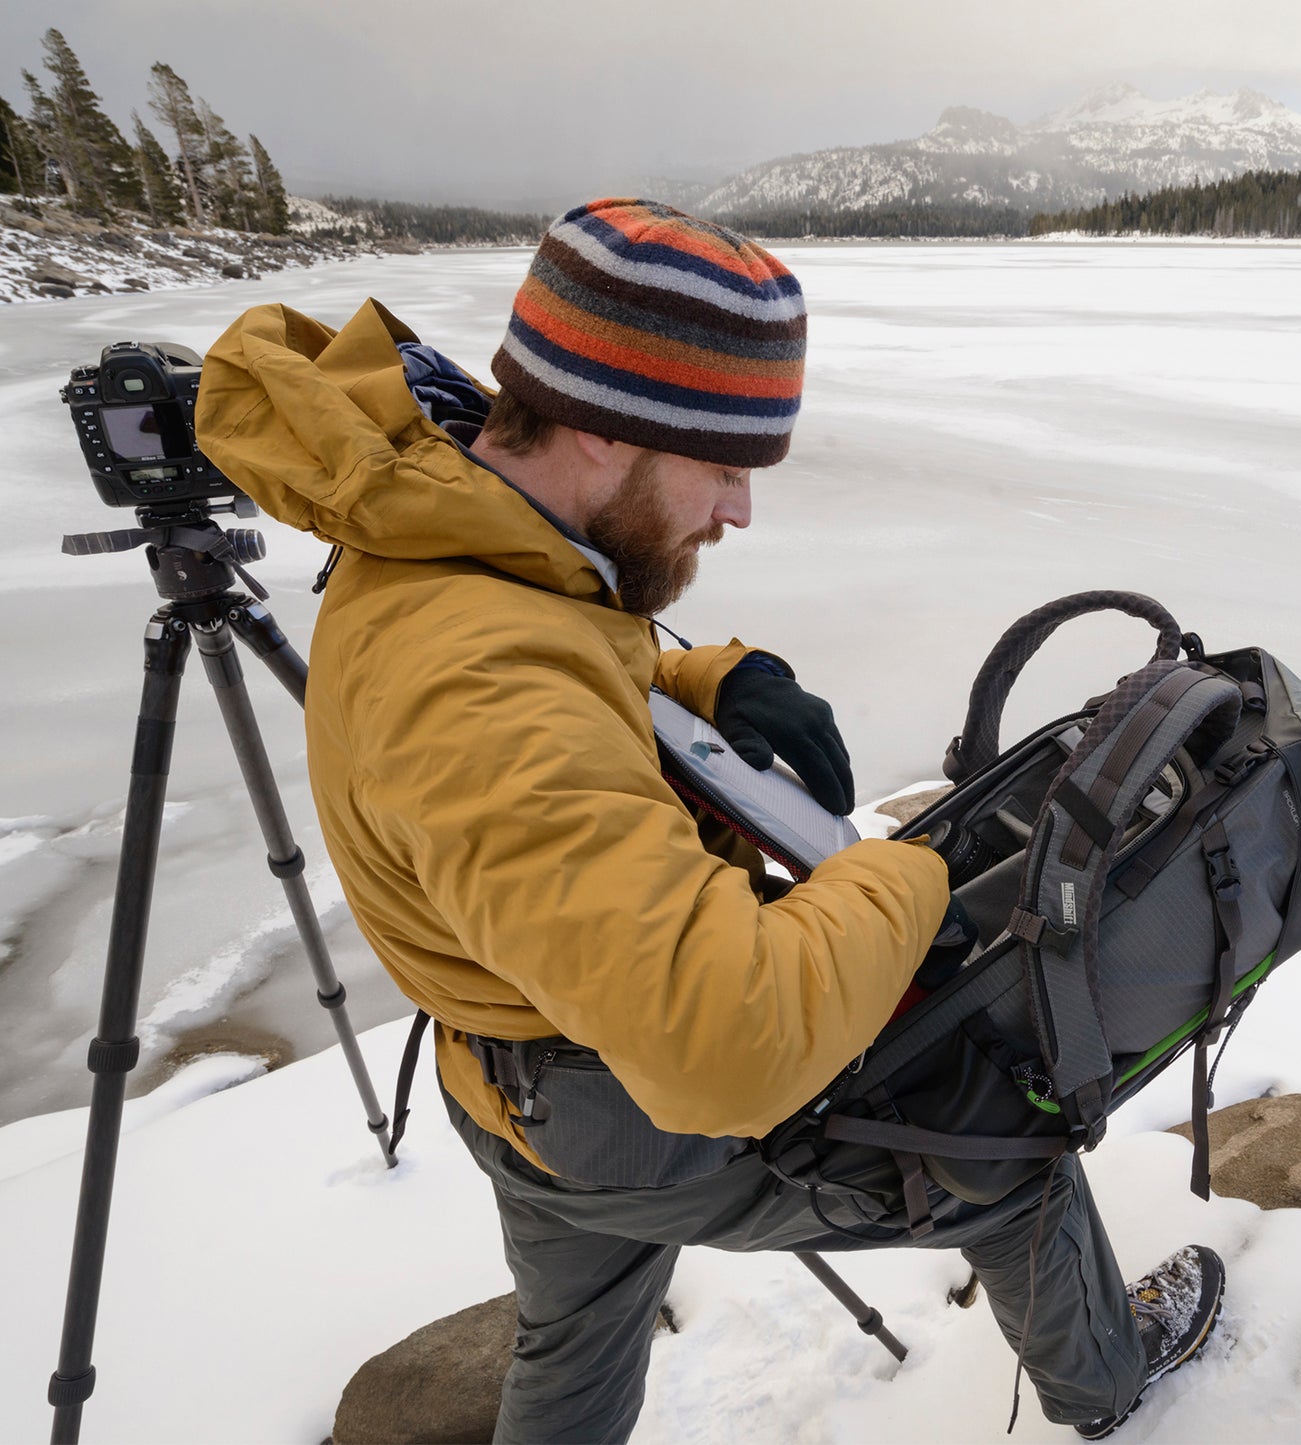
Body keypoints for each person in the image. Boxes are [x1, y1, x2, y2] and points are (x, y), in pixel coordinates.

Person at [196, 198, 1223, 1443]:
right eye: (724, 465)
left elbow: (551, 665)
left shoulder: (459, 519)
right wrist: (899, 873)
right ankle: (1107, 1385)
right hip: (619, 1098)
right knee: (1005, 1150)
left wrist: (706, 678)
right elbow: (722, 1042)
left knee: (573, 1324)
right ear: (595, 428)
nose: (737, 511)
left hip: (514, 1062)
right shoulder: (477, 686)